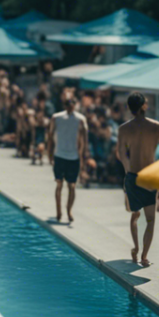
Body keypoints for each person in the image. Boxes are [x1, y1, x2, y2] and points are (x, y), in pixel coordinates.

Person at [117, 92, 159, 267]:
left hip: (133, 176)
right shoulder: (157, 126)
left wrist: (128, 171)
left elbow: (121, 153)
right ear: (143, 106)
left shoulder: (124, 128)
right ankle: (144, 256)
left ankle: (135, 248)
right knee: (150, 219)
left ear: (129, 108)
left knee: (135, 215)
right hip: (150, 178)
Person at [48, 96, 87, 224]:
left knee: (72, 185)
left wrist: (82, 156)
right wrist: (49, 152)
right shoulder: (56, 117)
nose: (70, 106)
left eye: (72, 104)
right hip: (59, 155)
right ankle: (58, 211)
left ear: (75, 105)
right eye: (68, 104)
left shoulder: (80, 119)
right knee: (59, 184)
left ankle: (68, 210)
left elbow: (84, 139)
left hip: (73, 157)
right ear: (64, 105)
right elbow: (50, 135)